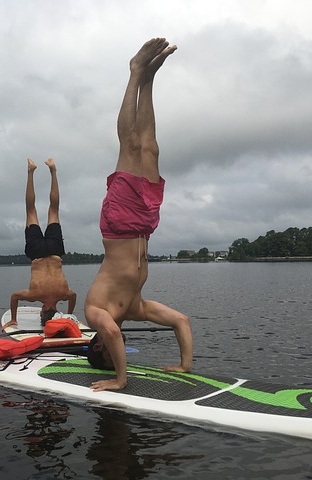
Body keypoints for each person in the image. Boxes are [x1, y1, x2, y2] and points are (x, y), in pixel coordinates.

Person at [84, 38, 193, 392]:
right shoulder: (134, 308)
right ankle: (149, 79)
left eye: (108, 351)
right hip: (145, 226)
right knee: (150, 146)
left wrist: (120, 379)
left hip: (119, 225)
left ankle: (134, 71)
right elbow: (181, 321)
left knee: (129, 145)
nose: (111, 343)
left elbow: (112, 332)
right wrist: (185, 366)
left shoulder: (95, 313)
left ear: (97, 345)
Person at [3, 158, 77, 330]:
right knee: (31, 210)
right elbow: (14, 296)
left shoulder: (65, 294)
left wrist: (70, 313)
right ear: (42, 313)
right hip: (36, 252)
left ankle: (53, 170)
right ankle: (31, 171)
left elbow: (74, 297)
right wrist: (13, 318)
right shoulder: (33, 295)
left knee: (54, 209)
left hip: (54, 252)